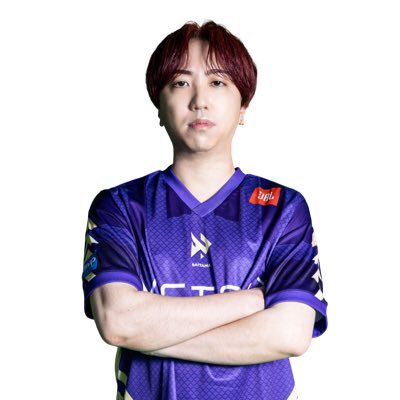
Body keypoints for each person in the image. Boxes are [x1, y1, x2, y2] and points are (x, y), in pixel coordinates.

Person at [82, 19, 328, 400]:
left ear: (243, 105)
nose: (199, 99)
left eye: (217, 82)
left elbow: (290, 334)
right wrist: (255, 301)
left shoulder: (283, 209)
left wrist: (152, 332)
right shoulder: (121, 207)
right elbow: (118, 322)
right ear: (159, 104)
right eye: (181, 82)